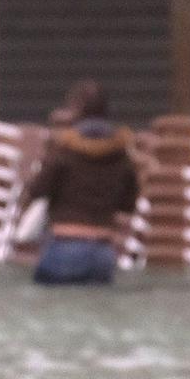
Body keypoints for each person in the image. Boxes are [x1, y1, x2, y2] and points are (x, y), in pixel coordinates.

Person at [25, 81, 143, 286]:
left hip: (65, 245)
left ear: (77, 109)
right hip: (103, 253)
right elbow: (129, 203)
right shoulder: (122, 155)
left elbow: (37, 190)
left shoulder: (64, 150)